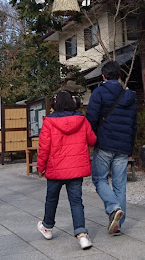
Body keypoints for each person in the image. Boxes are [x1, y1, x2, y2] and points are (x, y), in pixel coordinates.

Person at [36, 90, 97, 250]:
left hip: (55, 169)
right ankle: (82, 235)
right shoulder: (82, 120)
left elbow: (44, 148)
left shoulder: (49, 122)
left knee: (51, 199)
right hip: (76, 169)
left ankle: (47, 227)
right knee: (76, 202)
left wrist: (40, 167)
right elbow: (92, 140)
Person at [86, 61, 137, 236]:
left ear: (104, 76)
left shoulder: (99, 92)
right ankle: (118, 224)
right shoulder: (129, 96)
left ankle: (114, 208)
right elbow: (133, 124)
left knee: (99, 179)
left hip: (105, 143)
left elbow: (91, 118)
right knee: (120, 184)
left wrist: (89, 140)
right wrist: (130, 146)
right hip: (123, 146)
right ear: (120, 77)